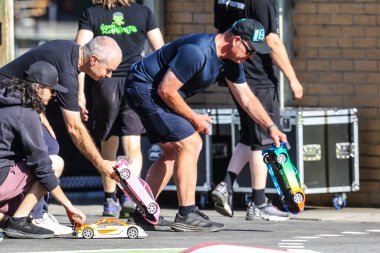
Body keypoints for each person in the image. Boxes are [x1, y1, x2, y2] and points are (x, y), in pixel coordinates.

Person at [124, 18, 288, 232]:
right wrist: (194, 117)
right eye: (250, 50)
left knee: (173, 151)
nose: (251, 56)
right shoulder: (198, 52)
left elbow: (247, 98)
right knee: (191, 143)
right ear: (236, 40)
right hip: (143, 87)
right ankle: (187, 214)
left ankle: (143, 212)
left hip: (157, 93)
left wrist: (271, 127)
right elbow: (166, 90)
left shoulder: (231, 62)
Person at [0, 36, 121, 232]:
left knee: (50, 146)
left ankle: (27, 211)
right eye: (108, 70)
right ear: (93, 60)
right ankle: (35, 215)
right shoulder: (65, 70)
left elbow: (35, 92)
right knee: (48, 154)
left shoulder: (71, 51)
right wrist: (101, 164)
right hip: (10, 103)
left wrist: (48, 115)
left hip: (15, 101)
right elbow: (74, 128)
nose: (109, 76)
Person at [212, 0, 303, 221]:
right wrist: (293, 79)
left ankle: (226, 185)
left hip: (236, 72)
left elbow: (220, 32)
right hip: (259, 78)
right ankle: (258, 202)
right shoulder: (261, 2)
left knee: (249, 135)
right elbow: (272, 40)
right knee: (264, 138)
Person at [75, 0, 164, 218]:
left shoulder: (92, 13)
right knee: (133, 143)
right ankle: (131, 197)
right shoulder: (143, 12)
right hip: (136, 81)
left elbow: (78, 54)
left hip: (104, 83)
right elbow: (160, 50)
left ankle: (109, 200)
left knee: (108, 142)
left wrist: (79, 94)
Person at [0, 61, 86, 239]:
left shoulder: (5, 102)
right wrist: (68, 206)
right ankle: (19, 220)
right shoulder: (26, 113)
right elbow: (43, 168)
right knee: (55, 163)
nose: (54, 96)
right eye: (52, 90)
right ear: (39, 88)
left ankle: (9, 221)